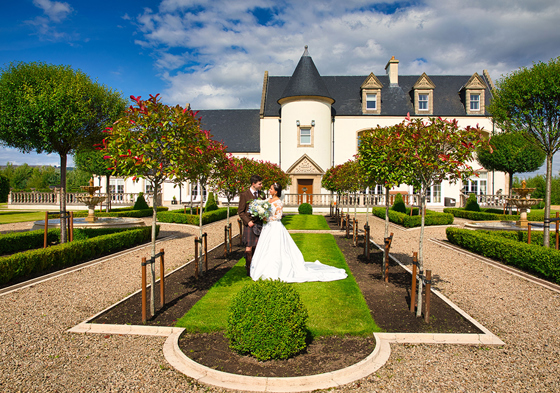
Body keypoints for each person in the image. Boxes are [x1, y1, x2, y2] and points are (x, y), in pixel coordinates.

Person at [250, 183, 348, 283]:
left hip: (275, 226)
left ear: (276, 191)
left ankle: (277, 270)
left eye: (271, 189)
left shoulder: (279, 202)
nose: (269, 190)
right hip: (268, 228)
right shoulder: (267, 200)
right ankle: (264, 268)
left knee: (276, 248)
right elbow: (262, 207)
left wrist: (268, 218)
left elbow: (279, 216)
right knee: (266, 247)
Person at [238, 174, 264, 275]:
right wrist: (248, 221)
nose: (261, 185)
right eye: (259, 184)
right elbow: (240, 211)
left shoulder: (261, 195)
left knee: (258, 246)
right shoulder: (244, 195)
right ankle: (248, 269)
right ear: (253, 184)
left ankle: (256, 268)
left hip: (259, 224)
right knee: (249, 246)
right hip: (249, 225)